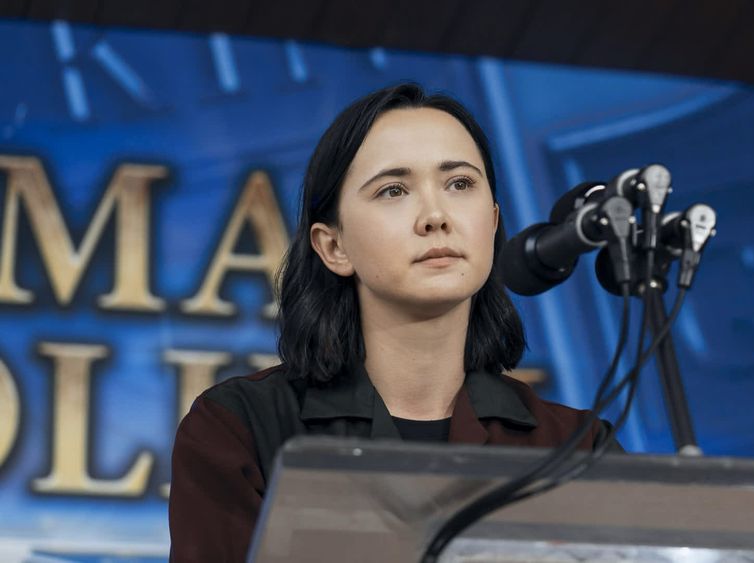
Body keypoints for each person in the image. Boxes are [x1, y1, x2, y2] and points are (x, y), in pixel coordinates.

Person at [168, 83, 622, 562]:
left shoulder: (575, 447)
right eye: (394, 190)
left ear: (491, 221)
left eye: (460, 184)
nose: (435, 216)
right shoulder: (241, 426)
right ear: (333, 247)